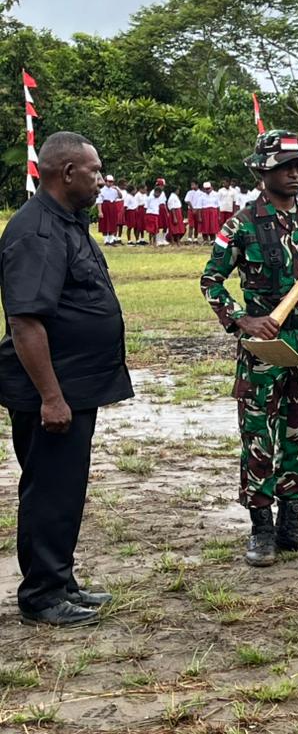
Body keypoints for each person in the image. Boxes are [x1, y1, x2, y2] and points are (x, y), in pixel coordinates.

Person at [0, 132, 132, 626]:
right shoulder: (36, 232)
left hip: (74, 384)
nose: (101, 179)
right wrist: (51, 398)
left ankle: (60, 579)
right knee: (50, 489)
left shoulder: (67, 223)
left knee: (63, 486)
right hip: (54, 391)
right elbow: (25, 322)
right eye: (94, 171)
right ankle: (41, 595)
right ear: (67, 173)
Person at [200, 131, 298, 567]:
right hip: (264, 348)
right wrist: (241, 319)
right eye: (285, 166)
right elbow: (211, 281)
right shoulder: (241, 224)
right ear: (263, 171)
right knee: (259, 436)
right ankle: (261, 529)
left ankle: (291, 524)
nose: (294, 173)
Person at [96, 175, 121, 246]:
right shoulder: (102, 190)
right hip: (105, 206)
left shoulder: (114, 190)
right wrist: (100, 211)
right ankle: (106, 240)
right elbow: (99, 202)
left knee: (113, 222)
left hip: (112, 206)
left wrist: (117, 189)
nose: (111, 183)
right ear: (105, 182)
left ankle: (111, 239)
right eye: (109, 182)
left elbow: (120, 196)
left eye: (112, 182)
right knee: (105, 222)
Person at [143, 181, 166, 246]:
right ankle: (151, 241)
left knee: (156, 229)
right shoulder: (149, 198)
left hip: (156, 215)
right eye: (158, 194)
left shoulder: (158, 199)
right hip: (150, 214)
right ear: (155, 192)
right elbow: (145, 207)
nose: (159, 196)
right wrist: (146, 216)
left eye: (160, 195)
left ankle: (154, 242)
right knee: (151, 229)